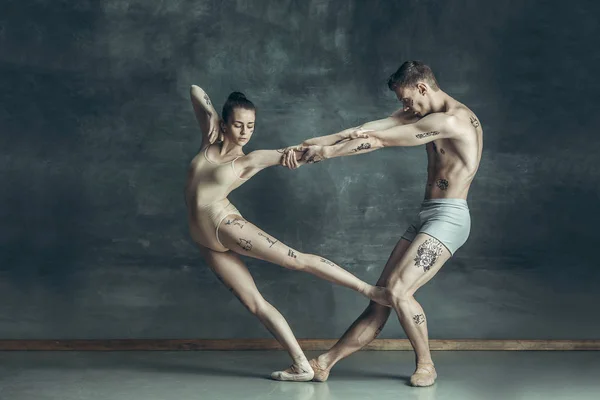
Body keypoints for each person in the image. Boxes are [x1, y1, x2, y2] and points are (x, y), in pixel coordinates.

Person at [283, 61, 483, 387]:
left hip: (450, 217)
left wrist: (327, 155)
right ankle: (324, 363)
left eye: (407, 100)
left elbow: (380, 140)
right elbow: (364, 129)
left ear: (423, 88)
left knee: (398, 291)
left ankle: (427, 365)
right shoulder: (422, 113)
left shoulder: (452, 120)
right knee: (380, 298)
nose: (404, 107)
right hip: (426, 214)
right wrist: (309, 146)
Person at [184, 86, 390, 382]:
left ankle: (369, 291)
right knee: (254, 302)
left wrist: (336, 143)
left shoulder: (249, 159)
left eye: (251, 126)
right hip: (205, 241)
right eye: (239, 124)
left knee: (296, 260)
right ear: (226, 124)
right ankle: (302, 365)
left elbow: (298, 154)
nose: (245, 132)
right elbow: (196, 91)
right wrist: (213, 117)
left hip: (224, 225)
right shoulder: (209, 139)